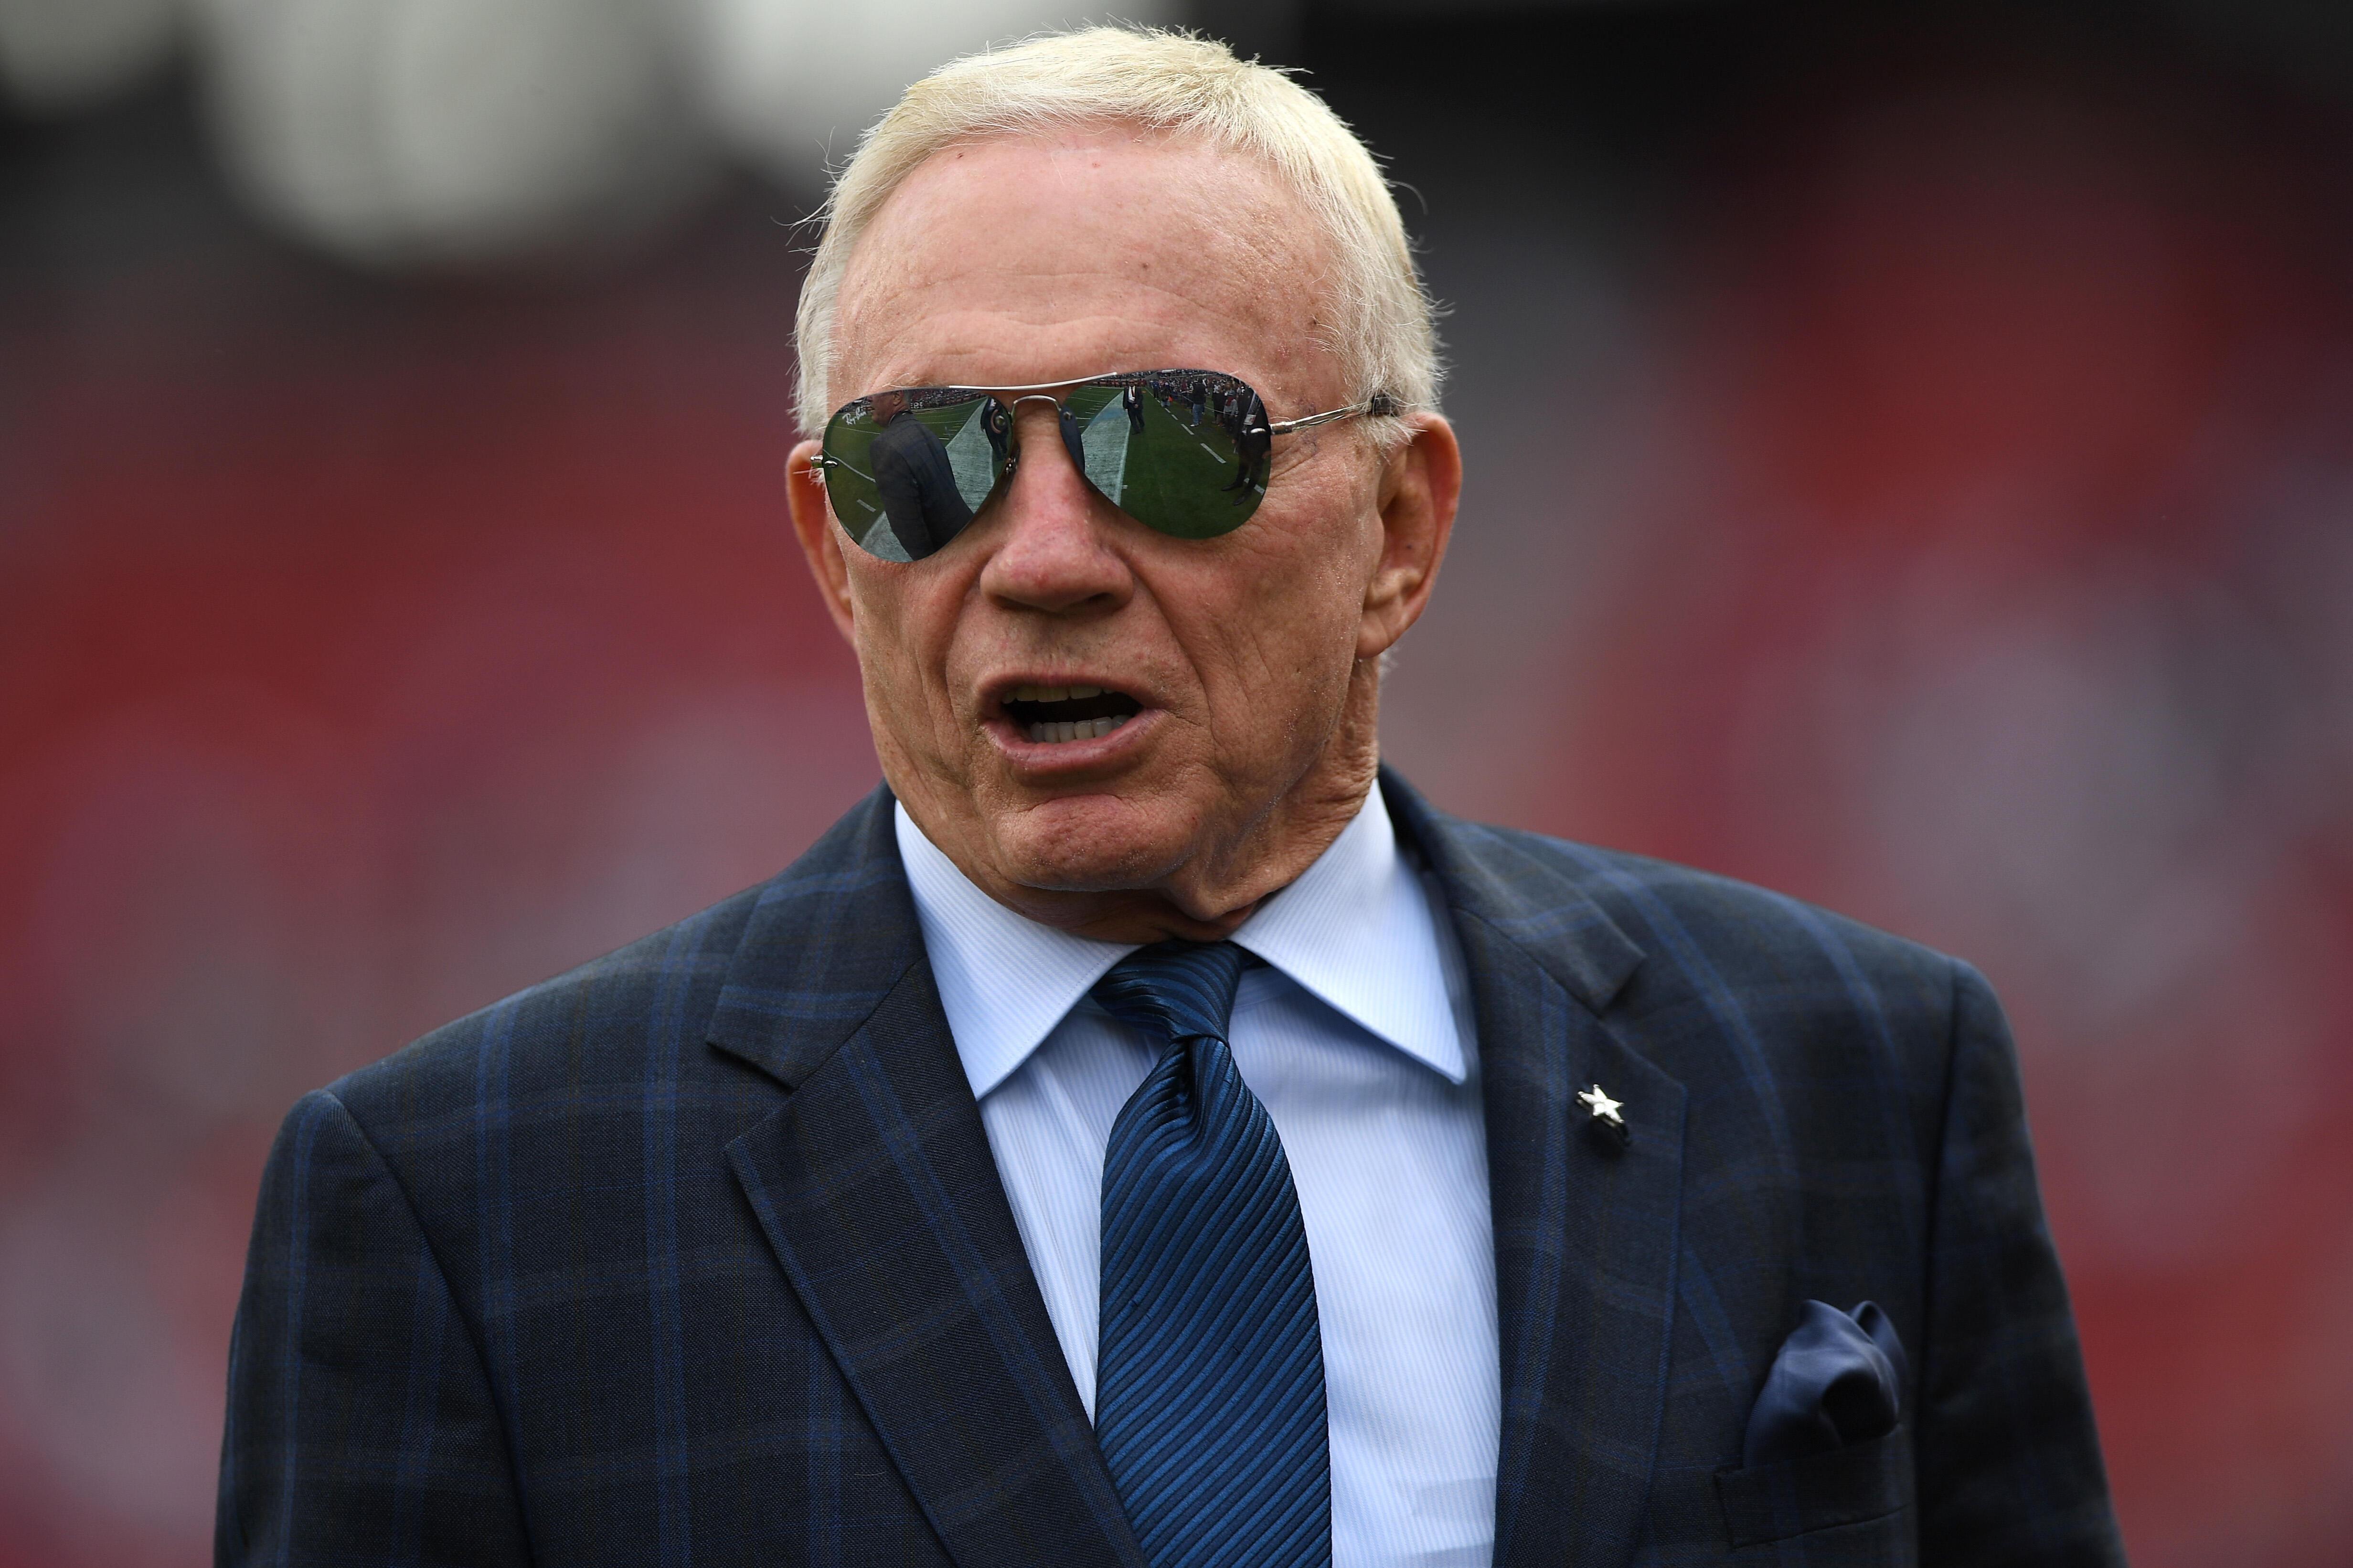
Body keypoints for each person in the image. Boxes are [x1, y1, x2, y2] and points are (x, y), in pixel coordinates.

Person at [216, 27, 2125, 1568]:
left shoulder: (1853, 1070)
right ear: (829, 544)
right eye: (927, 464)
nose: (1040, 553)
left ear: (1399, 524)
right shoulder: (470, 1203)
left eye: (1170, 444)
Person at [867, 387, 973, 556]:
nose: (869, 399)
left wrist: (930, 567)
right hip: (967, 529)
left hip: (948, 549)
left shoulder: (884, 446)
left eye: (874, 393)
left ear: (896, 397)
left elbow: (906, 526)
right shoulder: (925, 431)